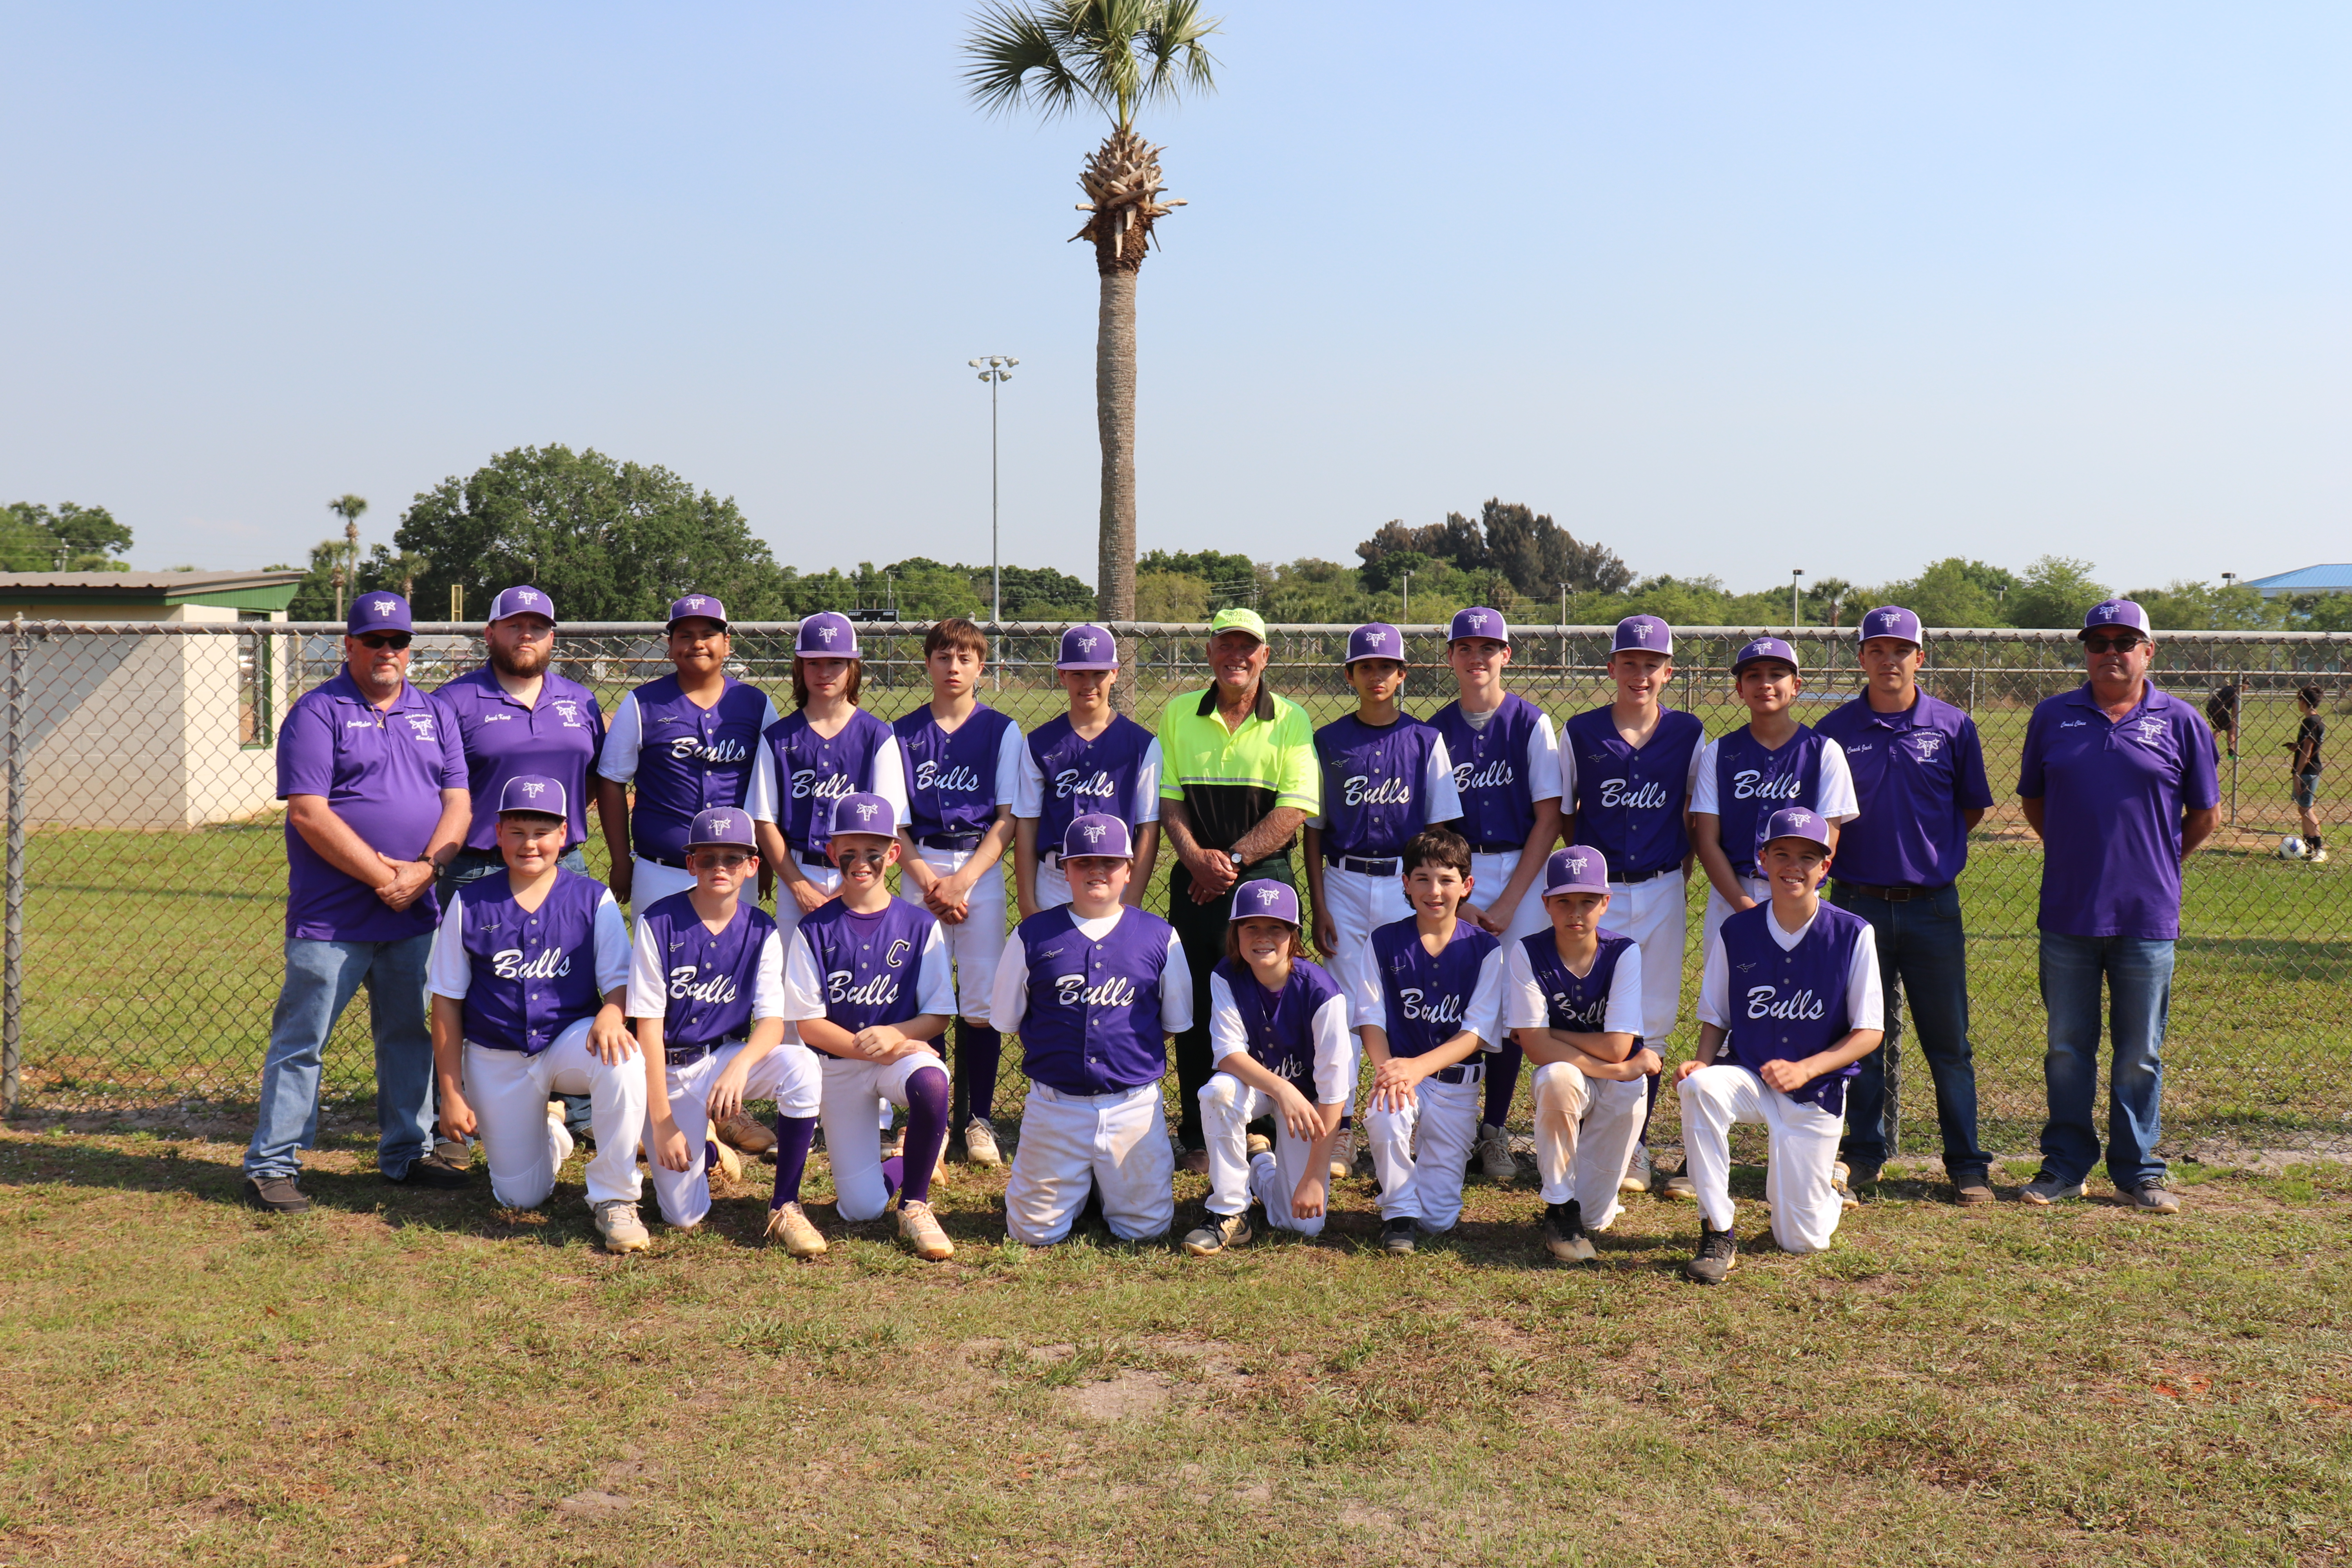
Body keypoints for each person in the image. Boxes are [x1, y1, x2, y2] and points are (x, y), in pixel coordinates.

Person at [243, 592, 472, 1214]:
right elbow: (309, 812)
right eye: (374, 641)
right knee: (303, 1040)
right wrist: (384, 877)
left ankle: (406, 1153)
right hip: (333, 917)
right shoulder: (318, 713)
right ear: (349, 646)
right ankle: (272, 1165)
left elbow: (458, 801)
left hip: (414, 911)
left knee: (407, 1036)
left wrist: (427, 871)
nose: (387, 652)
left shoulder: (433, 711)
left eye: (398, 641)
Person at [2016, 599, 2218, 1214]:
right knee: (2067, 1048)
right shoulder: (2054, 717)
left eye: (2124, 641)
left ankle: (2138, 1171)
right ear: (2086, 652)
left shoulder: (2181, 721)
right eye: (2098, 642)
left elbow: (2204, 814)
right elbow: (2035, 803)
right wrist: (2080, 852)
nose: (2111, 652)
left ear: (2148, 652)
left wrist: (2154, 857)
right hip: (2070, 914)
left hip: (2146, 917)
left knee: (2139, 1053)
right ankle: (2066, 1166)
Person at [1814, 605, 1997, 1203]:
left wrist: (1929, 856)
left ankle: (1966, 1163)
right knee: (1863, 1033)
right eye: (1877, 650)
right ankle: (1864, 1155)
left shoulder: (1952, 724)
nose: (1889, 661)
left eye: (1901, 650)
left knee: (1949, 1041)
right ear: (1861, 658)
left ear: (1921, 657)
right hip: (1857, 904)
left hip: (1931, 906)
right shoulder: (1835, 731)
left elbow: (1969, 808)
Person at [425, 777, 649, 1252]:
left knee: (623, 1059)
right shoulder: (470, 901)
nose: (531, 843)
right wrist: (450, 1091)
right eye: (518, 830)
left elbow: (620, 979)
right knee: (520, 1195)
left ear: (564, 834)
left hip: (569, 1041)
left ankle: (615, 1198)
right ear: (498, 832)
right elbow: (446, 1000)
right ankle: (553, 1134)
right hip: (496, 1053)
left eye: (542, 831)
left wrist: (613, 1010)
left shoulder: (592, 898)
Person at [1676, 807, 1884, 1285]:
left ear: (1825, 868)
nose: (1794, 866)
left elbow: (1869, 1031)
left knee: (1800, 1239)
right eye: (1783, 854)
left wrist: (1808, 1068)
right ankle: (1718, 1228)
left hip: (1817, 1088)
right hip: (1749, 1075)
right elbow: (1715, 1015)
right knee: (1700, 1089)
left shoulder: (1852, 933)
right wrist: (1701, 1064)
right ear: (1762, 859)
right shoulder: (1738, 931)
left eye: (1808, 857)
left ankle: (1826, 1184)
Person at [432, 584, 606, 1154]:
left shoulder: (579, 701)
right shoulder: (454, 701)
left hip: (561, 859)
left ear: (553, 636)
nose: (525, 635)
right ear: (490, 634)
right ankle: (455, 1114)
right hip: (478, 866)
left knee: (572, 981)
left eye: (538, 626)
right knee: (465, 992)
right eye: (514, 625)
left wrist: (563, 836)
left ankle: (582, 1109)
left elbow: (602, 779)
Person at [1154, 607, 1321, 1173]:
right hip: (1196, 878)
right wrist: (1196, 860)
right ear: (1210, 653)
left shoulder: (1292, 719)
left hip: (1264, 877)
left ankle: (1264, 1122)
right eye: (1226, 645)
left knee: (1268, 1002)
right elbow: (1169, 799)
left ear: (1265, 656)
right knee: (1199, 1000)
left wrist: (1230, 862)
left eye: (1248, 647)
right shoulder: (1179, 713)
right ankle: (1202, 1132)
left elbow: (1295, 805)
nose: (1237, 657)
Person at [1300, 621, 1460, 1181]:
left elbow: (1440, 830)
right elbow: (1314, 830)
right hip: (1343, 878)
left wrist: (1431, 896)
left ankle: (1402, 1118)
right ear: (1350, 675)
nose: (1377, 676)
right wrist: (1319, 904)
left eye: (1387, 667)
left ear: (1402, 674)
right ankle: (1342, 1126)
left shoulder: (1425, 741)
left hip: (1402, 881)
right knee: (1344, 1005)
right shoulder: (1328, 741)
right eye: (1365, 667)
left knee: (1399, 997)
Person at [989, 814, 1193, 1247]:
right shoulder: (1032, 935)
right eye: (1084, 862)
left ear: (1130, 868)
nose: (1096, 870)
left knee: (1146, 1231)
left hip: (1132, 1107)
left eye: (1109, 861)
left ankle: (1095, 1182)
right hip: (1055, 1107)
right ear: (1065, 868)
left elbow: (1171, 1026)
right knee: (1031, 1233)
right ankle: (1085, 1184)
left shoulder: (1160, 937)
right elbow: (1010, 1020)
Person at [1558, 614, 1704, 1196]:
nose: (1640, 674)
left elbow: (1696, 815)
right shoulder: (1581, 731)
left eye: (1652, 664)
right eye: (1630, 663)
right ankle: (1597, 1137)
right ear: (1612, 667)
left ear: (1668, 672)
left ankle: (1636, 1145)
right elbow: (1567, 813)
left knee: (1655, 1021)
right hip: (1601, 896)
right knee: (1596, 1017)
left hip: (1664, 884)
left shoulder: (1689, 734)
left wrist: (1675, 876)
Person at [630, 807, 822, 1247]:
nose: (720, 867)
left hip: (724, 1059)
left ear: (753, 866)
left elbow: (773, 1022)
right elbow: (648, 1028)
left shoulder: (761, 928)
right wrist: (661, 1122)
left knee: (802, 1066)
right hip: (670, 1067)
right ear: (690, 862)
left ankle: (785, 1201)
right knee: (683, 1216)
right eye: (709, 857)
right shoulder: (657, 923)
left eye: (733, 858)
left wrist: (741, 1067)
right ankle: (711, 1152)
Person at [778, 793, 959, 1261]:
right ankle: (903, 1164)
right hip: (841, 1066)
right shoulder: (814, 929)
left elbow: (938, 1014)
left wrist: (898, 1036)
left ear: (893, 854)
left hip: (897, 1055)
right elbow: (810, 1025)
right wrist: (874, 1048)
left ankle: (916, 1203)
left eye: (874, 852)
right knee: (860, 1209)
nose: (862, 863)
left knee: (933, 1082)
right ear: (832, 851)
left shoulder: (920, 925)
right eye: (850, 851)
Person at [1426, 608, 1564, 1185]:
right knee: (1452, 992)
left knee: (1511, 1005)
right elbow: (1432, 825)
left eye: (1489, 648)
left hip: (1519, 865)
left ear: (1507, 655)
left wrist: (1508, 901)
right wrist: (1458, 888)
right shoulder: (1435, 729)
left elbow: (1549, 816)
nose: (1477, 658)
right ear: (1452, 657)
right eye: (1466, 648)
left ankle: (1496, 1129)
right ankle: (1443, 1126)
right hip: (1456, 866)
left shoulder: (1532, 723)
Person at [891, 618, 1022, 1169]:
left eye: (965, 658)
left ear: (981, 669)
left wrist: (962, 882)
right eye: (943, 657)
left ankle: (978, 1118)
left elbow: (1008, 818)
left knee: (980, 1003)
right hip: (917, 866)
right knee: (923, 995)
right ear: (928, 664)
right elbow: (893, 826)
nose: (953, 667)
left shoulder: (1001, 730)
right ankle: (932, 1119)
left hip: (978, 868)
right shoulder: (901, 733)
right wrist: (929, 883)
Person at [1349, 826, 1508, 1254]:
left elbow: (1475, 1034)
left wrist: (1417, 1067)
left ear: (1467, 886)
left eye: (1446, 879)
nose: (1433, 890)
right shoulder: (1384, 941)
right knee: (1386, 1114)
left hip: (1456, 1084)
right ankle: (1397, 1211)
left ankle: (1404, 1188)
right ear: (1405, 883)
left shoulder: (1484, 949)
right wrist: (1389, 1074)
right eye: (1422, 878)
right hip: (1401, 1072)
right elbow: (1370, 1020)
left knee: (1439, 1220)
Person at [1183, 880, 1355, 1256]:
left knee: (1302, 1225)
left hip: (1311, 1103)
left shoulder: (1322, 994)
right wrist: (1282, 1089)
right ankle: (1229, 1210)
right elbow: (1228, 1055)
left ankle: (1259, 1162)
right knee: (1218, 1093)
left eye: (1275, 928)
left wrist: (1312, 1178)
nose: (1263, 938)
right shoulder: (1226, 975)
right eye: (1251, 927)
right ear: (1236, 933)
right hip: (1265, 1089)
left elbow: (1334, 1093)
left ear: (1293, 935)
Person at [1503, 846, 1658, 1263]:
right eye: (1564, 901)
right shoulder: (1528, 952)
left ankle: (1580, 1208)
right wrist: (1618, 1064)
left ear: (1606, 903)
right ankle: (1558, 1206)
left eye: (1588, 901)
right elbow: (1536, 1052)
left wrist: (1548, 1033)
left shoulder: (1622, 952)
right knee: (1556, 1079)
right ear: (1547, 904)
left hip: (1619, 1082)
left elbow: (1616, 1046)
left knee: (1595, 1218)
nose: (1576, 912)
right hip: (1591, 1073)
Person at [593, 594, 779, 915]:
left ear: (727, 643)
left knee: (736, 958)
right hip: (661, 870)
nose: (697, 644)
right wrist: (621, 861)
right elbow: (612, 779)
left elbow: (770, 791)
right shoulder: (643, 703)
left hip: (735, 869)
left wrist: (766, 861)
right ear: (670, 645)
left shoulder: (757, 705)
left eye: (708, 635)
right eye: (685, 636)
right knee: (659, 960)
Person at [747, 611, 909, 948]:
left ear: (853, 668)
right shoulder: (777, 738)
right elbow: (764, 821)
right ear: (799, 668)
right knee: (796, 982)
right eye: (813, 662)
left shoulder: (877, 736)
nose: (824, 672)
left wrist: (849, 887)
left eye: (836, 662)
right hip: (797, 874)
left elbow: (889, 826)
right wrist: (798, 887)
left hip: (861, 877)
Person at [1013, 622, 1163, 917]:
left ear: (1115, 675)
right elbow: (1028, 823)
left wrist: (1132, 900)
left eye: (1099, 673)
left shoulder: (1142, 745)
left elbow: (1148, 827)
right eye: (1078, 673)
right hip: (1055, 879)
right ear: (1062, 676)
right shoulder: (1040, 743)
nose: (1088, 683)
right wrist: (1026, 900)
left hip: (1115, 877)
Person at [2291, 684, 2327, 862]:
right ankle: (2309, 845)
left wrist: (2297, 773)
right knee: (2302, 808)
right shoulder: (2317, 720)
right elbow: (2307, 746)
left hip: (2307, 771)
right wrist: (2295, 747)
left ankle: (2319, 848)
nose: (2298, 703)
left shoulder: (2310, 722)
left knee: (2307, 808)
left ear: (2304, 702)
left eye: (2299, 699)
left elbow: (2308, 750)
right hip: (2309, 770)